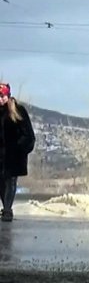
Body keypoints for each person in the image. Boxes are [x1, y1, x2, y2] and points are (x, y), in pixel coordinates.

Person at [0, 82, 35, 222]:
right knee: (1, 183)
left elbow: (28, 135)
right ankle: (6, 207)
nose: (1, 99)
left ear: (8, 95)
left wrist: (20, 148)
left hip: (13, 155)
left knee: (11, 181)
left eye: (3, 96)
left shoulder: (18, 110)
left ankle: (7, 209)